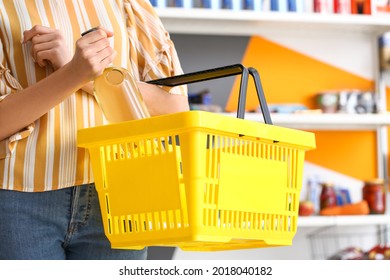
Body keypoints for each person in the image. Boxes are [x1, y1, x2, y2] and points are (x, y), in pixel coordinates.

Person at [0, 0, 189, 260]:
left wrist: (81, 72)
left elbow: (173, 107)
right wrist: (73, 74)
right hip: (19, 201)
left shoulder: (128, 5)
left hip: (122, 195)